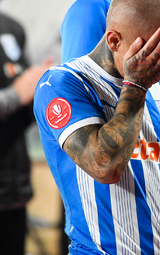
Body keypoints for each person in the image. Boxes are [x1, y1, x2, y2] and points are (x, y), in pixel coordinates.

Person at [34, 0, 160, 254]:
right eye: (155, 57)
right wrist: (137, 86)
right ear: (114, 40)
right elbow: (105, 166)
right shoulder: (62, 84)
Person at [0, 10, 51, 255]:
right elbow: (19, 93)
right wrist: (16, 95)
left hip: (13, 190)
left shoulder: (12, 28)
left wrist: (43, 91)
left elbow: (26, 101)